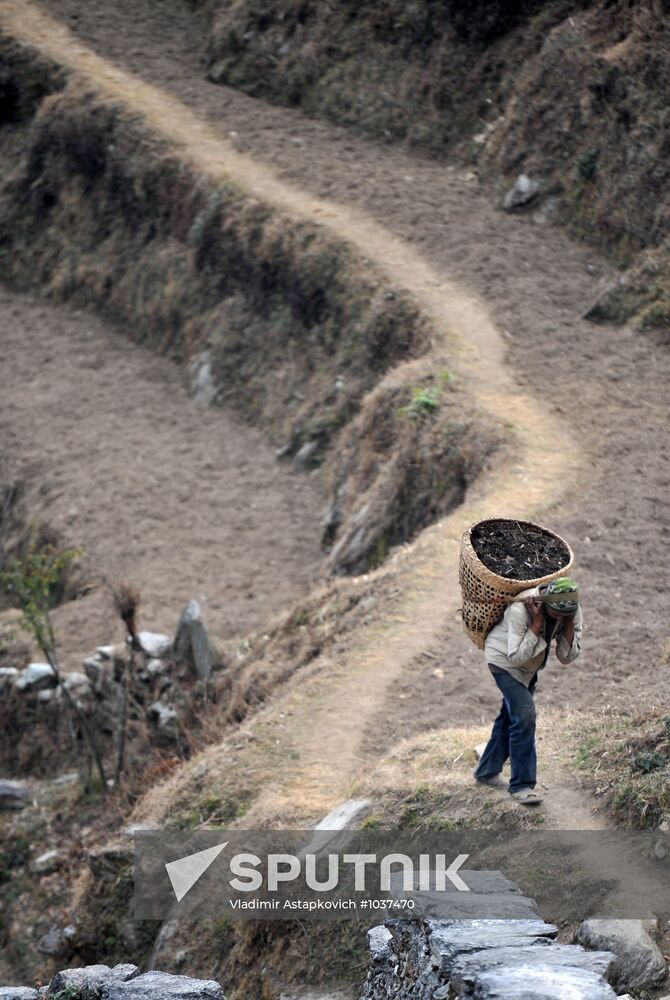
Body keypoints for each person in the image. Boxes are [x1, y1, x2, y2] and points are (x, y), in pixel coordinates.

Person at [473, 576, 582, 805]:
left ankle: (486, 771)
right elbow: (516, 656)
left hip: (530, 668)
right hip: (504, 661)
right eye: (556, 613)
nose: (560, 618)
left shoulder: (571, 609)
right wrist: (535, 625)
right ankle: (522, 785)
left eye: (566, 614)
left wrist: (569, 624)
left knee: (509, 719)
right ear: (545, 603)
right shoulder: (521, 609)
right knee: (524, 717)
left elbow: (566, 657)